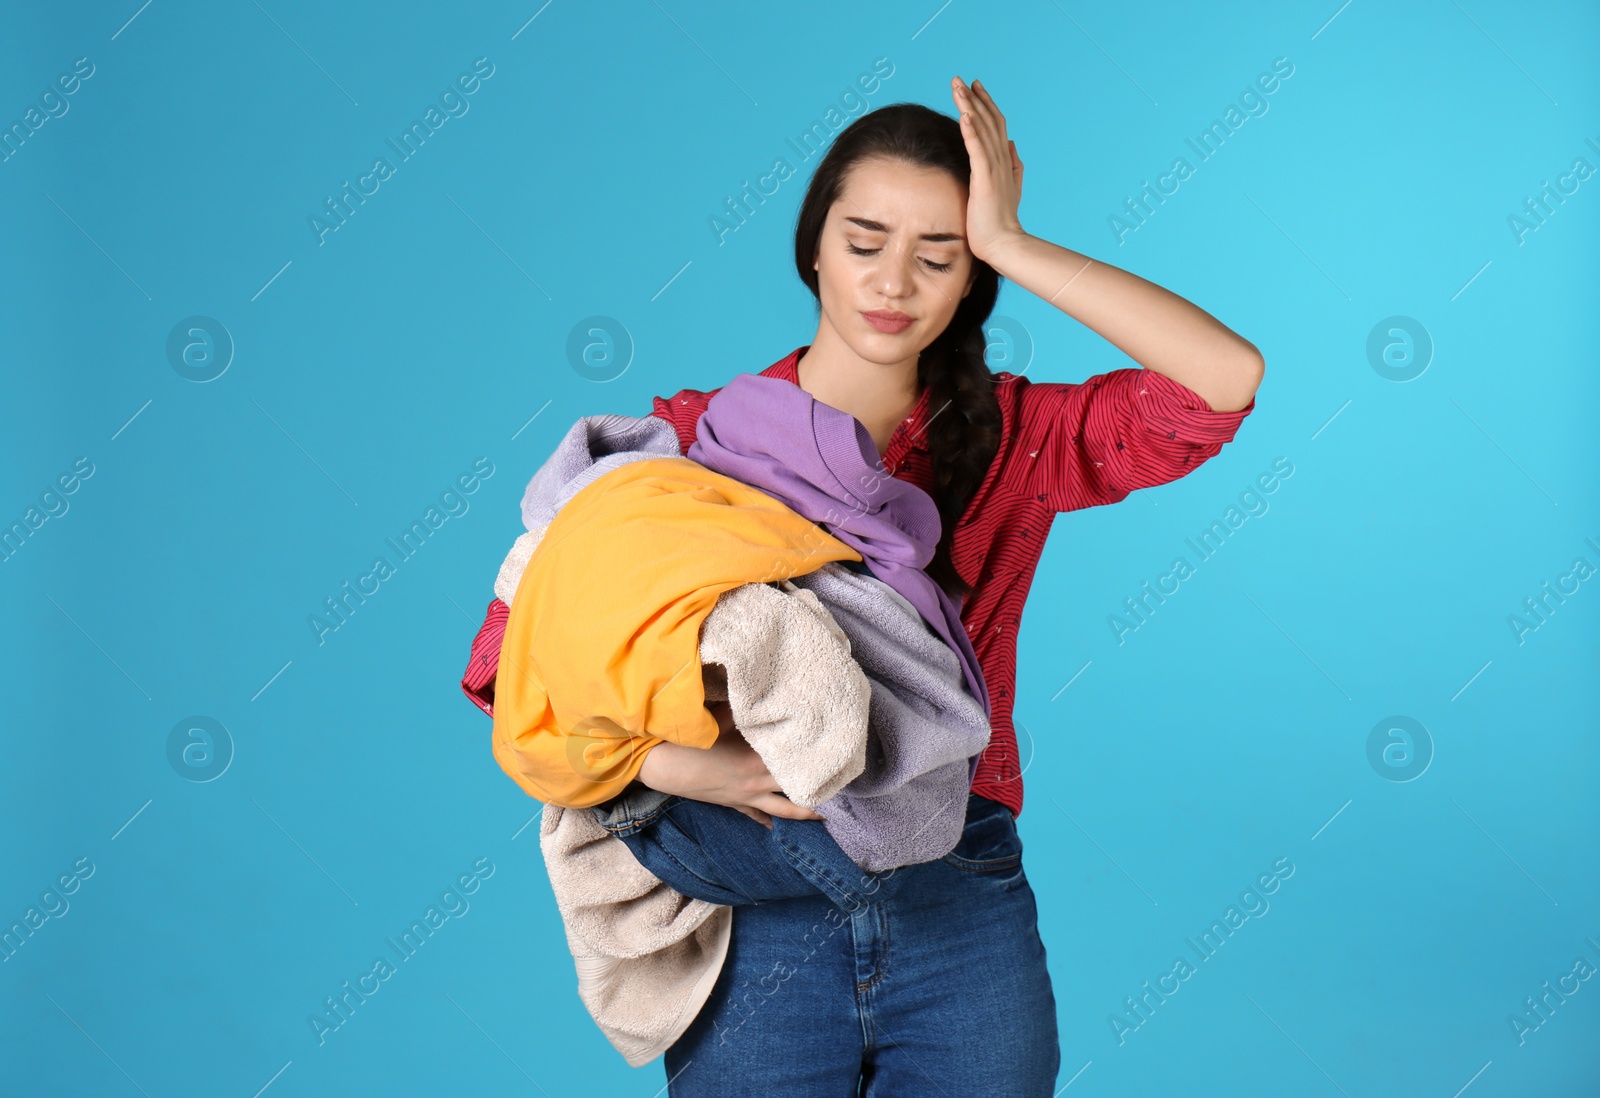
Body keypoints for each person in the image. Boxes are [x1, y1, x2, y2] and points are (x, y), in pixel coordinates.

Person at [463, 75, 1263, 1095]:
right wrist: (679, 768)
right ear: (812, 248)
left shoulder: (1015, 438)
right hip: (754, 902)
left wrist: (1014, 243)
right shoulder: (697, 441)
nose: (894, 282)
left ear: (969, 278)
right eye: (864, 242)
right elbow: (515, 661)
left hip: (958, 891)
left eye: (939, 255)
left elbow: (1219, 383)